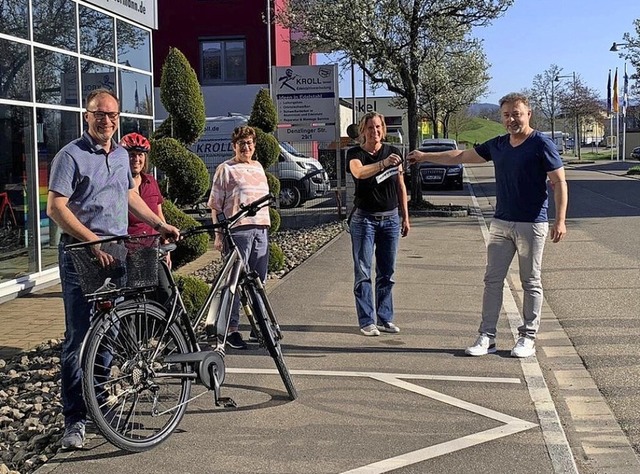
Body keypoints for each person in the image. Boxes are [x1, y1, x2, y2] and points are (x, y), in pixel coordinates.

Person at [46, 89, 180, 450]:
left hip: (116, 251)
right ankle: (75, 420)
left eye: (113, 115)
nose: (107, 120)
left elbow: (129, 196)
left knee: (111, 332)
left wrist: (157, 224)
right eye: (99, 114)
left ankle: (102, 406)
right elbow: (56, 208)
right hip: (81, 253)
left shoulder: (121, 155)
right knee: (79, 339)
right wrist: (92, 241)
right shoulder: (70, 156)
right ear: (87, 117)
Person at [407, 92, 568, 358]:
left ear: (528, 114)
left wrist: (560, 220)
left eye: (516, 113)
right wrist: (424, 156)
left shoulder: (541, 144)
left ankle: (528, 336)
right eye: (506, 114)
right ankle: (487, 336)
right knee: (492, 280)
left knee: (531, 281)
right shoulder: (499, 145)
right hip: (501, 224)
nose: (511, 119)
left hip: (532, 224)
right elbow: (460, 156)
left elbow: (559, 182)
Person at [347, 111, 410, 337]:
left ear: (383, 129)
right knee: (363, 271)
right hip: (364, 220)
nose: (375, 132)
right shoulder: (356, 154)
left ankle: (385, 317)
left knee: (387, 272)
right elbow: (359, 172)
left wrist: (405, 216)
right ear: (363, 131)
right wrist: (382, 163)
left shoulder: (393, 152)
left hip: (390, 219)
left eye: (378, 127)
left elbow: (400, 185)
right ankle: (367, 320)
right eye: (370, 128)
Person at [207, 126, 270, 350]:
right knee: (233, 283)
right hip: (237, 231)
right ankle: (231, 329)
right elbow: (215, 206)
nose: (246, 147)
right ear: (234, 146)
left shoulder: (259, 167)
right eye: (242, 143)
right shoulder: (225, 169)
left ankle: (259, 326)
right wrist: (218, 235)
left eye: (250, 143)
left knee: (258, 281)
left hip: (260, 229)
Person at [121, 132, 172, 307]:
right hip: (129, 251)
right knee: (133, 300)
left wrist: (166, 247)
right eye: (131, 155)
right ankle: (136, 335)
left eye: (140, 155)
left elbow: (159, 215)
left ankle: (168, 333)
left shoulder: (151, 181)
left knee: (166, 294)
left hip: (153, 249)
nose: (136, 159)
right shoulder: (118, 184)